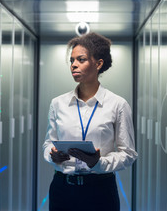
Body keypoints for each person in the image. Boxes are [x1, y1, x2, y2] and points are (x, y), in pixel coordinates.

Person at [42, 32, 138, 211]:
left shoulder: (118, 104)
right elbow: (48, 143)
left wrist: (98, 163)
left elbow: (129, 154)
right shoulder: (58, 103)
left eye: (81, 59)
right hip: (63, 189)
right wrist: (52, 154)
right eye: (71, 60)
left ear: (98, 64)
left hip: (100, 191)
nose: (74, 65)